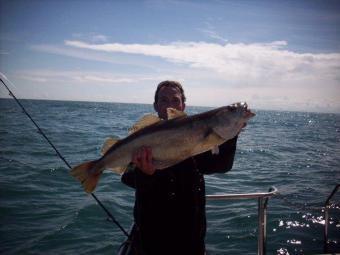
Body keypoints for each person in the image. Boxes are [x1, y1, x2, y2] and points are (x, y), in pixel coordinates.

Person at [121, 80, 238, 255]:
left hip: (191, 236)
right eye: (164, 100)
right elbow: (127, 177)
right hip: (151, 236)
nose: (170, 105)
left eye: (175, 100)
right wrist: (146, 174)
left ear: (183, 105)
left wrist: (230, 134)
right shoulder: (144, 139)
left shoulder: (198, 135)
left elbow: (221, 165)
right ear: (155, 106)